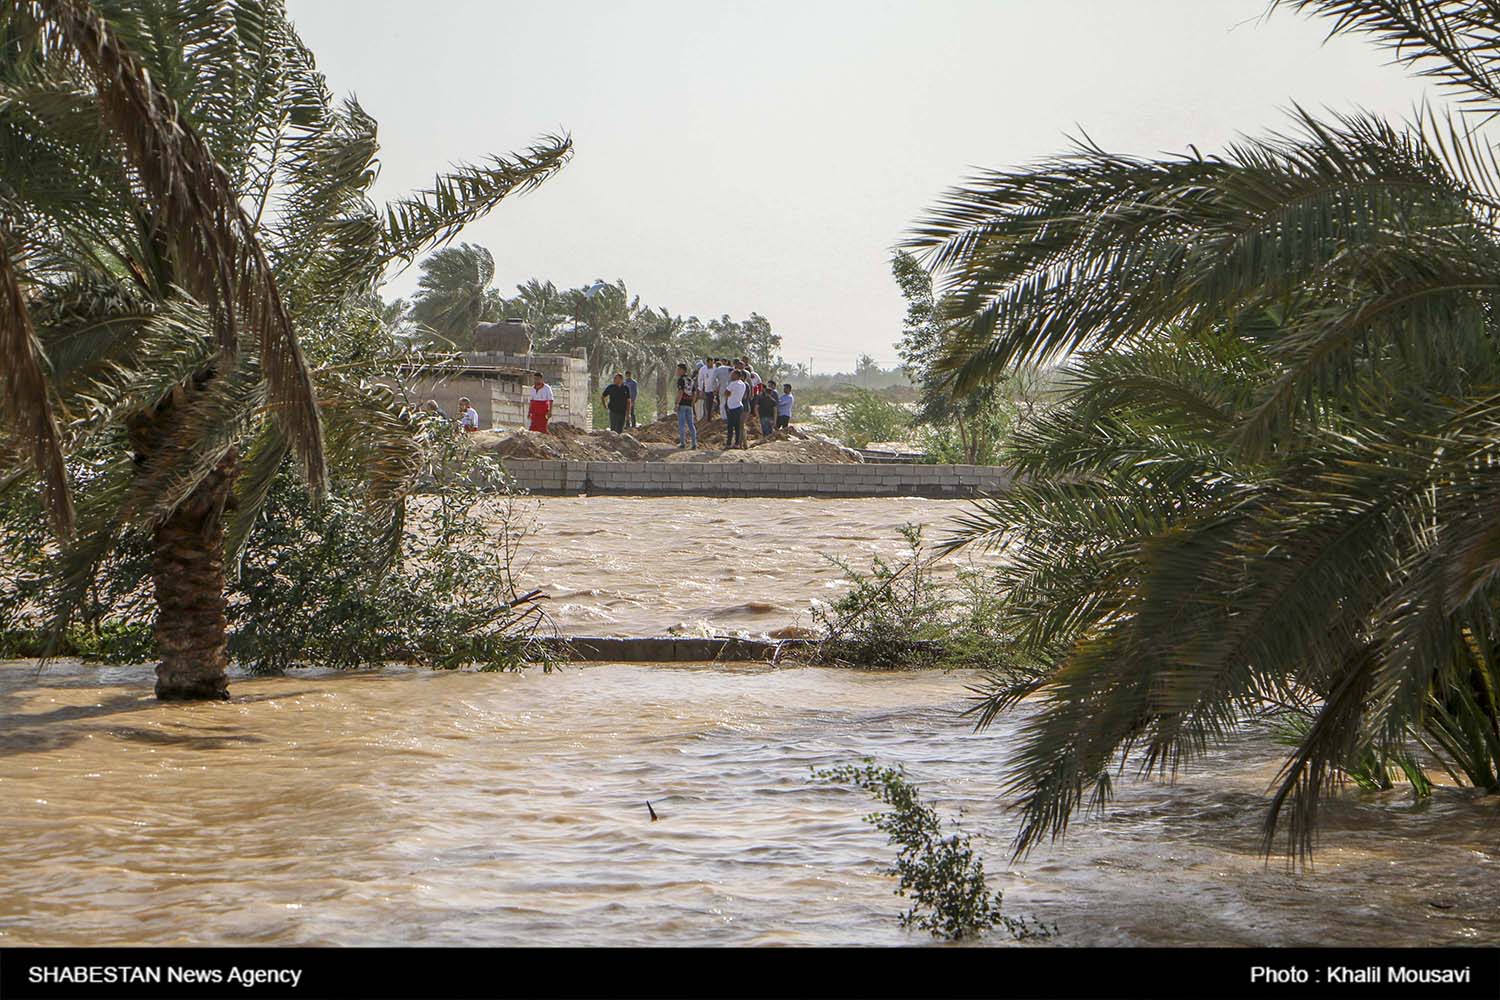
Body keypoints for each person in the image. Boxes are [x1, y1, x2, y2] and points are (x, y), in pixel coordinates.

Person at [674, 362, 698, 449]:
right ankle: (694, 443)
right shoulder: (690, 380)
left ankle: (682, 443)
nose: (677, 371)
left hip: (682, 404)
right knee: (691, 425)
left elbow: (680, 392)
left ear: (682, 370)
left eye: (678, 370)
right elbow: (695, 393)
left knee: (682, 424)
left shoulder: (681, 380)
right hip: (689, 405)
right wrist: (692, 403)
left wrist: (677, 403)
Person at [723, 369, 748, 449]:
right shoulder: (743, 384)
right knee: (737, 426)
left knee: (730, 426)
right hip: (739, 406)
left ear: (737, 375)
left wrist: (729, 395)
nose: (731, 376)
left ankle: (728, 443)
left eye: (733, 374)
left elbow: (726, 393)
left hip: (732, 407)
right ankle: (737, 443)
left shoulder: (733, 384)